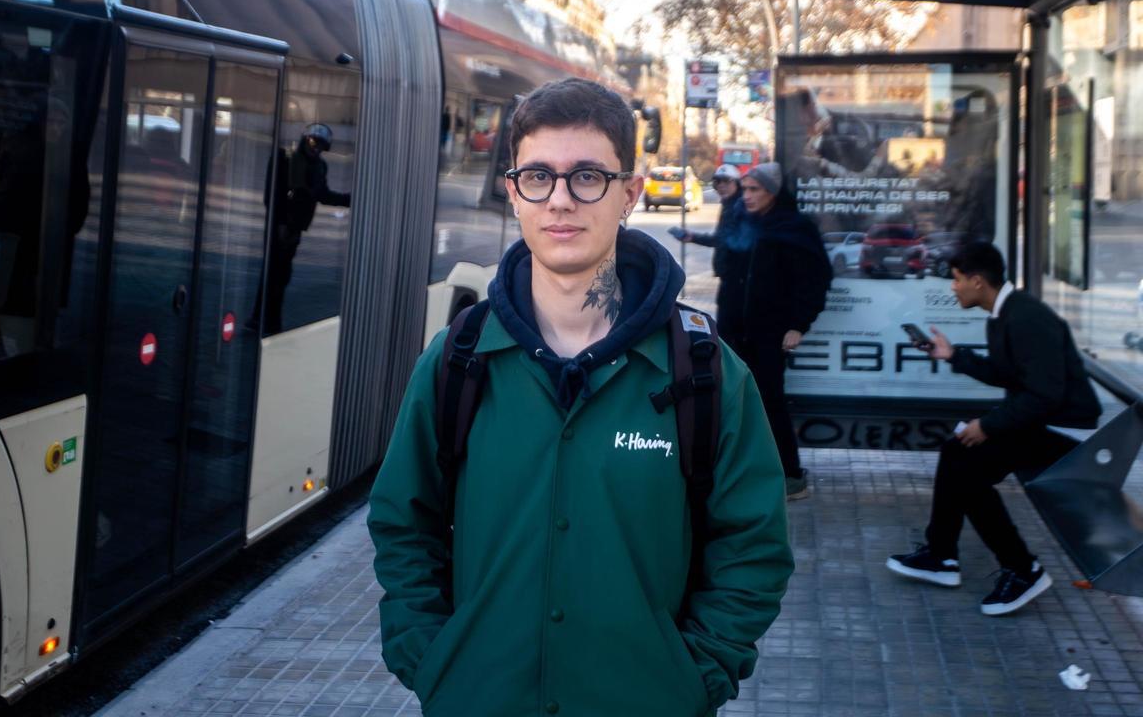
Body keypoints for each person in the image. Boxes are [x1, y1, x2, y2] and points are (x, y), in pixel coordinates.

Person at [368, 77, 793, 716]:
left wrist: (693, 677)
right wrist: (430, 656)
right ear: (514, 192)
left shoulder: (706, 371)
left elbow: (753, 546)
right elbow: (404, 522)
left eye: (588, 177)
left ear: (630, 193)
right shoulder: (458, 359)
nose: (561, 200)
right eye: (538, 176)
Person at [887, 241, 1102, 615]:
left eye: (957, 279)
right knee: (957, 450)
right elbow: (1009, 376)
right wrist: (953, 355)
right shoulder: (1004, 313)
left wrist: (988, 426)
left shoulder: (1027, 318)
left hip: (1067, 433)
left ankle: (1023, 570)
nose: (953, 287)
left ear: (977, 281)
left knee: (969, 470)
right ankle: (941, 556)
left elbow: (1044, 395)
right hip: (1040, 423)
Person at [707, 162, 831, 499]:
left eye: (754, 189)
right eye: (744, 189)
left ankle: (791, 475)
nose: (746, 196)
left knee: (768, 402)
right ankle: (741, 473)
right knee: (731, 400)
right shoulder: (742, 221)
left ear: (773, 192)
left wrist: (798, 325)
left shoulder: (794, 227)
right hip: (733, 328)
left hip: (769, 332)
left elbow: (815, 281)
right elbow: (726, 268)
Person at [253, 123, 350, 334]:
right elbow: (273, 195)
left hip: (295, 227)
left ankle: (262, 318)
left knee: (281, 274)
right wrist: (280, 223)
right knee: (275, 274)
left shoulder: (319, 166)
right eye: (313, 142)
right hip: (280, 226)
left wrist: (349, 199)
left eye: (321, 145)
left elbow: (322, 194)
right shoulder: (285, 159)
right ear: (305, 140)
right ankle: (266, 320)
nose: (316, 148)